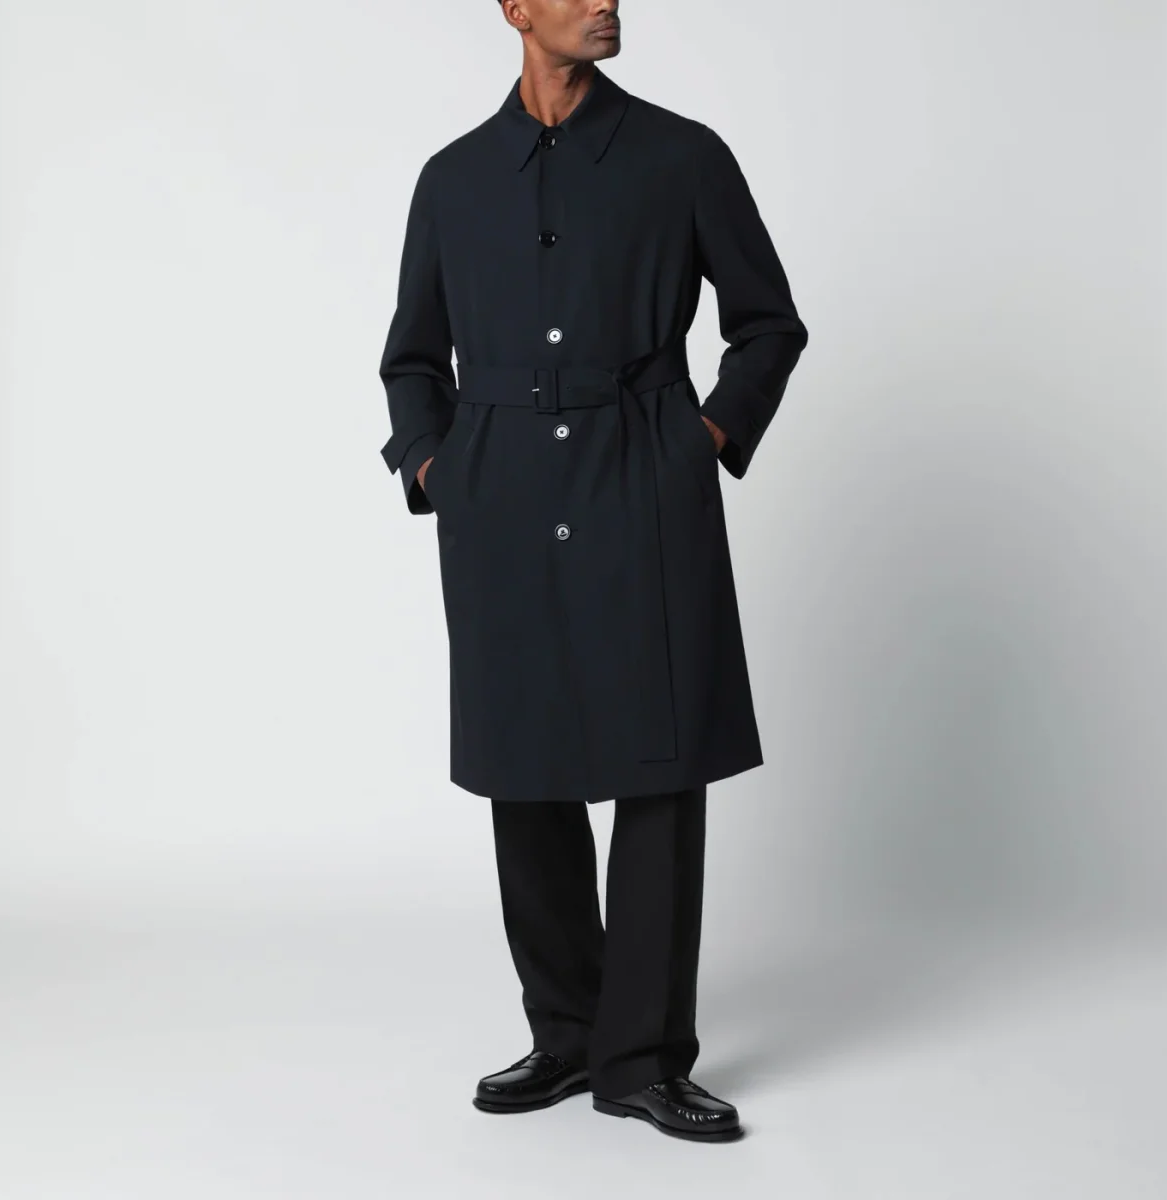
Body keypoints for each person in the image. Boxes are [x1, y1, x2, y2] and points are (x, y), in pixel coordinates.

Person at [377, 0, 807, 1143]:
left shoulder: (682, 157)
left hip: (642, 483)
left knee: (660, 767)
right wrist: (436, 467)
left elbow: (768, 324)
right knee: (527, 765)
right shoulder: (453, 180)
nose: (606, 1)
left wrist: (700, 441)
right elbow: (412, 356)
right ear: (515, 8)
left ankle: (644, 1060)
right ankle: (567, 1034)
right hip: (502, 502)